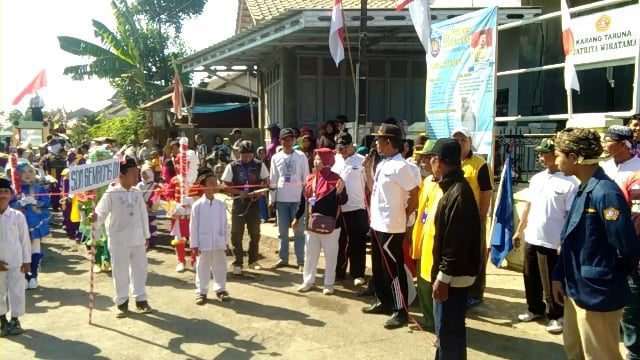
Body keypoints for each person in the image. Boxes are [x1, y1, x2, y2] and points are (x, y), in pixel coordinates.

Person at [551, 128, 640, 360]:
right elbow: (570, 240)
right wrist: (559, 276)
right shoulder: (584, 187)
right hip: (576, 288)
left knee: (600, 355)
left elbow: (627, 246)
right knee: (575, 352)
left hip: (596, 294)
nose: (555, 159)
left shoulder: (605, 192)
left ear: (574, 157)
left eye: (559, 154)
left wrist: (606, 280)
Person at [512, 138, 578, 334]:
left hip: (553, 241)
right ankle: (535, 309)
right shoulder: (537, 178)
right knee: (530, 277)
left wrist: (564, 241)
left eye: (544, 153)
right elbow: (529, 206)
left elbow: (570, 216)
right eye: (539, 153)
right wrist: (519, 230)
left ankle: (557, 315)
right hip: (533, 236)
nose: (540, 157)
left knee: (552, 282)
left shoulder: (570, 182)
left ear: (555, 155)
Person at [362, 124, 420, 329]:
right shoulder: (384, 164)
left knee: (393, 270)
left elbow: (415, 194)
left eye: (379, 139)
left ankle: (400, 310)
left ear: (389, 142)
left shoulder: (401, 167)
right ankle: (383, 301)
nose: (376, 143)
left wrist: (404, 216)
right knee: (379, 268)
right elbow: (376, 191)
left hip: (391, 227)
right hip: (378, 224)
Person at [430, 138, 482, 359]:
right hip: (451, 276)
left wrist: (443, 277)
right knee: (447, 334)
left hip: (453, 279)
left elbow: (455, 243)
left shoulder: (458, 194)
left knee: (449, 333)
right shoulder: (452, 188)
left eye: (431, 159)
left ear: (439, 162)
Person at [94, 157, 153, 317]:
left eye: (137, 173)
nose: (137, 177)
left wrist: (146, 235)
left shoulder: (136, 192)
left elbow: (143, 214)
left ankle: (141, 299)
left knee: (140, 269)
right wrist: (94, 219)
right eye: (133, 174)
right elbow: (100, 212)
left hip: (138, 238)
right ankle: (122, 302)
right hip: (118, 239)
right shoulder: (111, 193)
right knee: (120, 271)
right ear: (122, 175)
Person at [295, 148, 347, 295]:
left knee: (331, 255)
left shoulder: (337, 179)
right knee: (310, 254)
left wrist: (340, 192)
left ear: (327, 161)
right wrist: (296, 218)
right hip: (311, 224)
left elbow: (344, 200)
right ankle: (308, 281)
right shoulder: (310, 178)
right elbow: (303, 201)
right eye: (315, 158)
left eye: (319, 159)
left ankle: (329, 284)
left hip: (332, 226)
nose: (316, 161)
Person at [452, 127, 493, 307]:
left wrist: (481, 217)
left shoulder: (479, 164)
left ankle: (476, 293)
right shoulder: (451, 161)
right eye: (456, 140)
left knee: (476, 255)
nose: (460, 143)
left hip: (473, 219)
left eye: (463, 140)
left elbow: (486, 192)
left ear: (470, 142)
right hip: (454, 219)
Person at [221, 140, 269, 274]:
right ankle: (238, 262)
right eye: (244, 154)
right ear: (239, 153)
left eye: (249, 154)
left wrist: (259, 193)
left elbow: (266, 182)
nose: (247, 157)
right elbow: (225, 185)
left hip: (254, 203)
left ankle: (253, 260)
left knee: (255, 233)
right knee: (236, 234)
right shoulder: (232, 166)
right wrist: (239, 192)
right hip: (238, 203)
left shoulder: (260, 165)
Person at [410, 139, 441, 331]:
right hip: (421, 240)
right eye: (422, 158)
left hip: (436, 246)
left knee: (434, 287)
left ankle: (438, 325)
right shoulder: (427, 182)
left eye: (428, 158)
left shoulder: (448, 185)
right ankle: (428, 320)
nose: (424, 162)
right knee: (422, 284)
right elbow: (422, 212)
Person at [269, 128, 310, 270]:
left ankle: (301, 261)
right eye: (285, 139)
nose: (288, 141)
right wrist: (272, 199)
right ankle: (283, 258)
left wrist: (306, 197)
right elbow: (273, 179)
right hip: (281, 199)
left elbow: (306, 177)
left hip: (297, 198)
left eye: (290, 139)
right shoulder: (276, 157)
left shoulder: (301, 156)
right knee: (282, 232)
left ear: (294, 140)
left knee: (299, 232)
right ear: (280, 140)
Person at [332, 132, 368, 286]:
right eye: (340, 147)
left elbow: (368, 184)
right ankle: (339, 272)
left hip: (357, 207)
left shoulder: (362, 161)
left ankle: (358, 273)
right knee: (339, 241)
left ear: (352, 145)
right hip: (338, 208)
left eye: (345, 147)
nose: (342, 150)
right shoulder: (336, 160)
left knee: (357, 242)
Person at [190, 169, 230, 304]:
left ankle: (220, 289)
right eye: (210, 183)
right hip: (203, 242)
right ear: (203, 186)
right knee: (203, 267)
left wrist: (226, 241)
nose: (214, 186)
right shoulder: (197, 206)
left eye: (215, 183)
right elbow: (193, 227)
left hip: (218, 241)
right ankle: (201, 291)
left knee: (220, 265)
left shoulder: (220, 204)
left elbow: (225, 224)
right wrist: (194, 245)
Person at [11, 160, 50, 289]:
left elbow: (47, 202)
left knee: (35, 249)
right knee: (21, 251)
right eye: (23, 172)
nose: (27, 174)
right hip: (18, 224)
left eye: (30, 171)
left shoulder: (39, 187)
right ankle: (24, 277)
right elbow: (6, 205)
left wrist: (36, 202)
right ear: (18, 174)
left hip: (35, 222)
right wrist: (19, 203)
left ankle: (33, 276)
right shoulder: (13, 189)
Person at [0, 177, 31, 337]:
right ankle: (2, 321)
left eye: (6, 192)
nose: (2, 195)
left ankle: (15, 319)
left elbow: (24, 240)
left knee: (17, 291)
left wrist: (27, 261)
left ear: (11, 195)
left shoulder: (17, 216)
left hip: (16, 261)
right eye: (0, 192)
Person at [620, 165, 640, 360]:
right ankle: (634, 353)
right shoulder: (633, 180)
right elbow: (616, 212)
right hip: (635, 256)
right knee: (631, 309)